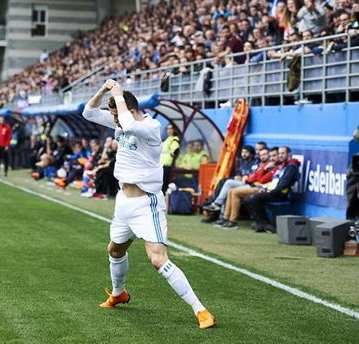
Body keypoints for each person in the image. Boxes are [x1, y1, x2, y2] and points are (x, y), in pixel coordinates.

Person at [82, 79, 215, 329]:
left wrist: (119, 95)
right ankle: (119, 293)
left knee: (157, 259)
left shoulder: (151, 127)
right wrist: (104, 90)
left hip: (147, 204)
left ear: (131, 109)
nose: (115, 122)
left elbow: (129, 122)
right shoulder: (120, 121)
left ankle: (201, 311)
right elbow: (88, 112)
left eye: (117, 115)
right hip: (123, 203)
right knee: (114, 250)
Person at [214, 147, 280, 229]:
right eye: (271, 156)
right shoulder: (264, 165)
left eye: (274, 155)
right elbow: (255, 176)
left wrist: (263, 170)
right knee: (230, 190)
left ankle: (232, 221)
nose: (272, 158)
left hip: (261, 188)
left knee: (234, 191)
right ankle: (225, 218)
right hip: (255, 185)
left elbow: (262, 179)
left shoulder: (276, 167)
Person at [244, 146, 301, 232]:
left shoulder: (291, 167)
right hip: (272, 191)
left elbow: (283, 184)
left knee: (254, 198)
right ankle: (262, 223)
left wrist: (269, 191)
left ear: (289, 154)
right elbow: (273, 181)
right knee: (247, 199)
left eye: (283, 153)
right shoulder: (282, 166)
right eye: (279, 153)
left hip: (280, 193)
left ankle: (265, 224)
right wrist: (265, 188)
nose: (280, 155)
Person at [160, 124, 180, 193]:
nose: (169, 130)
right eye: (168, 128)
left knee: (165, 185)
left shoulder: (174, 139)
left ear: (174, 130)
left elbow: (175, 150)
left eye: (171, 128)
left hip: (168, 164)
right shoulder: (167, 139)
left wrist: (173, 152)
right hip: (162, 164)